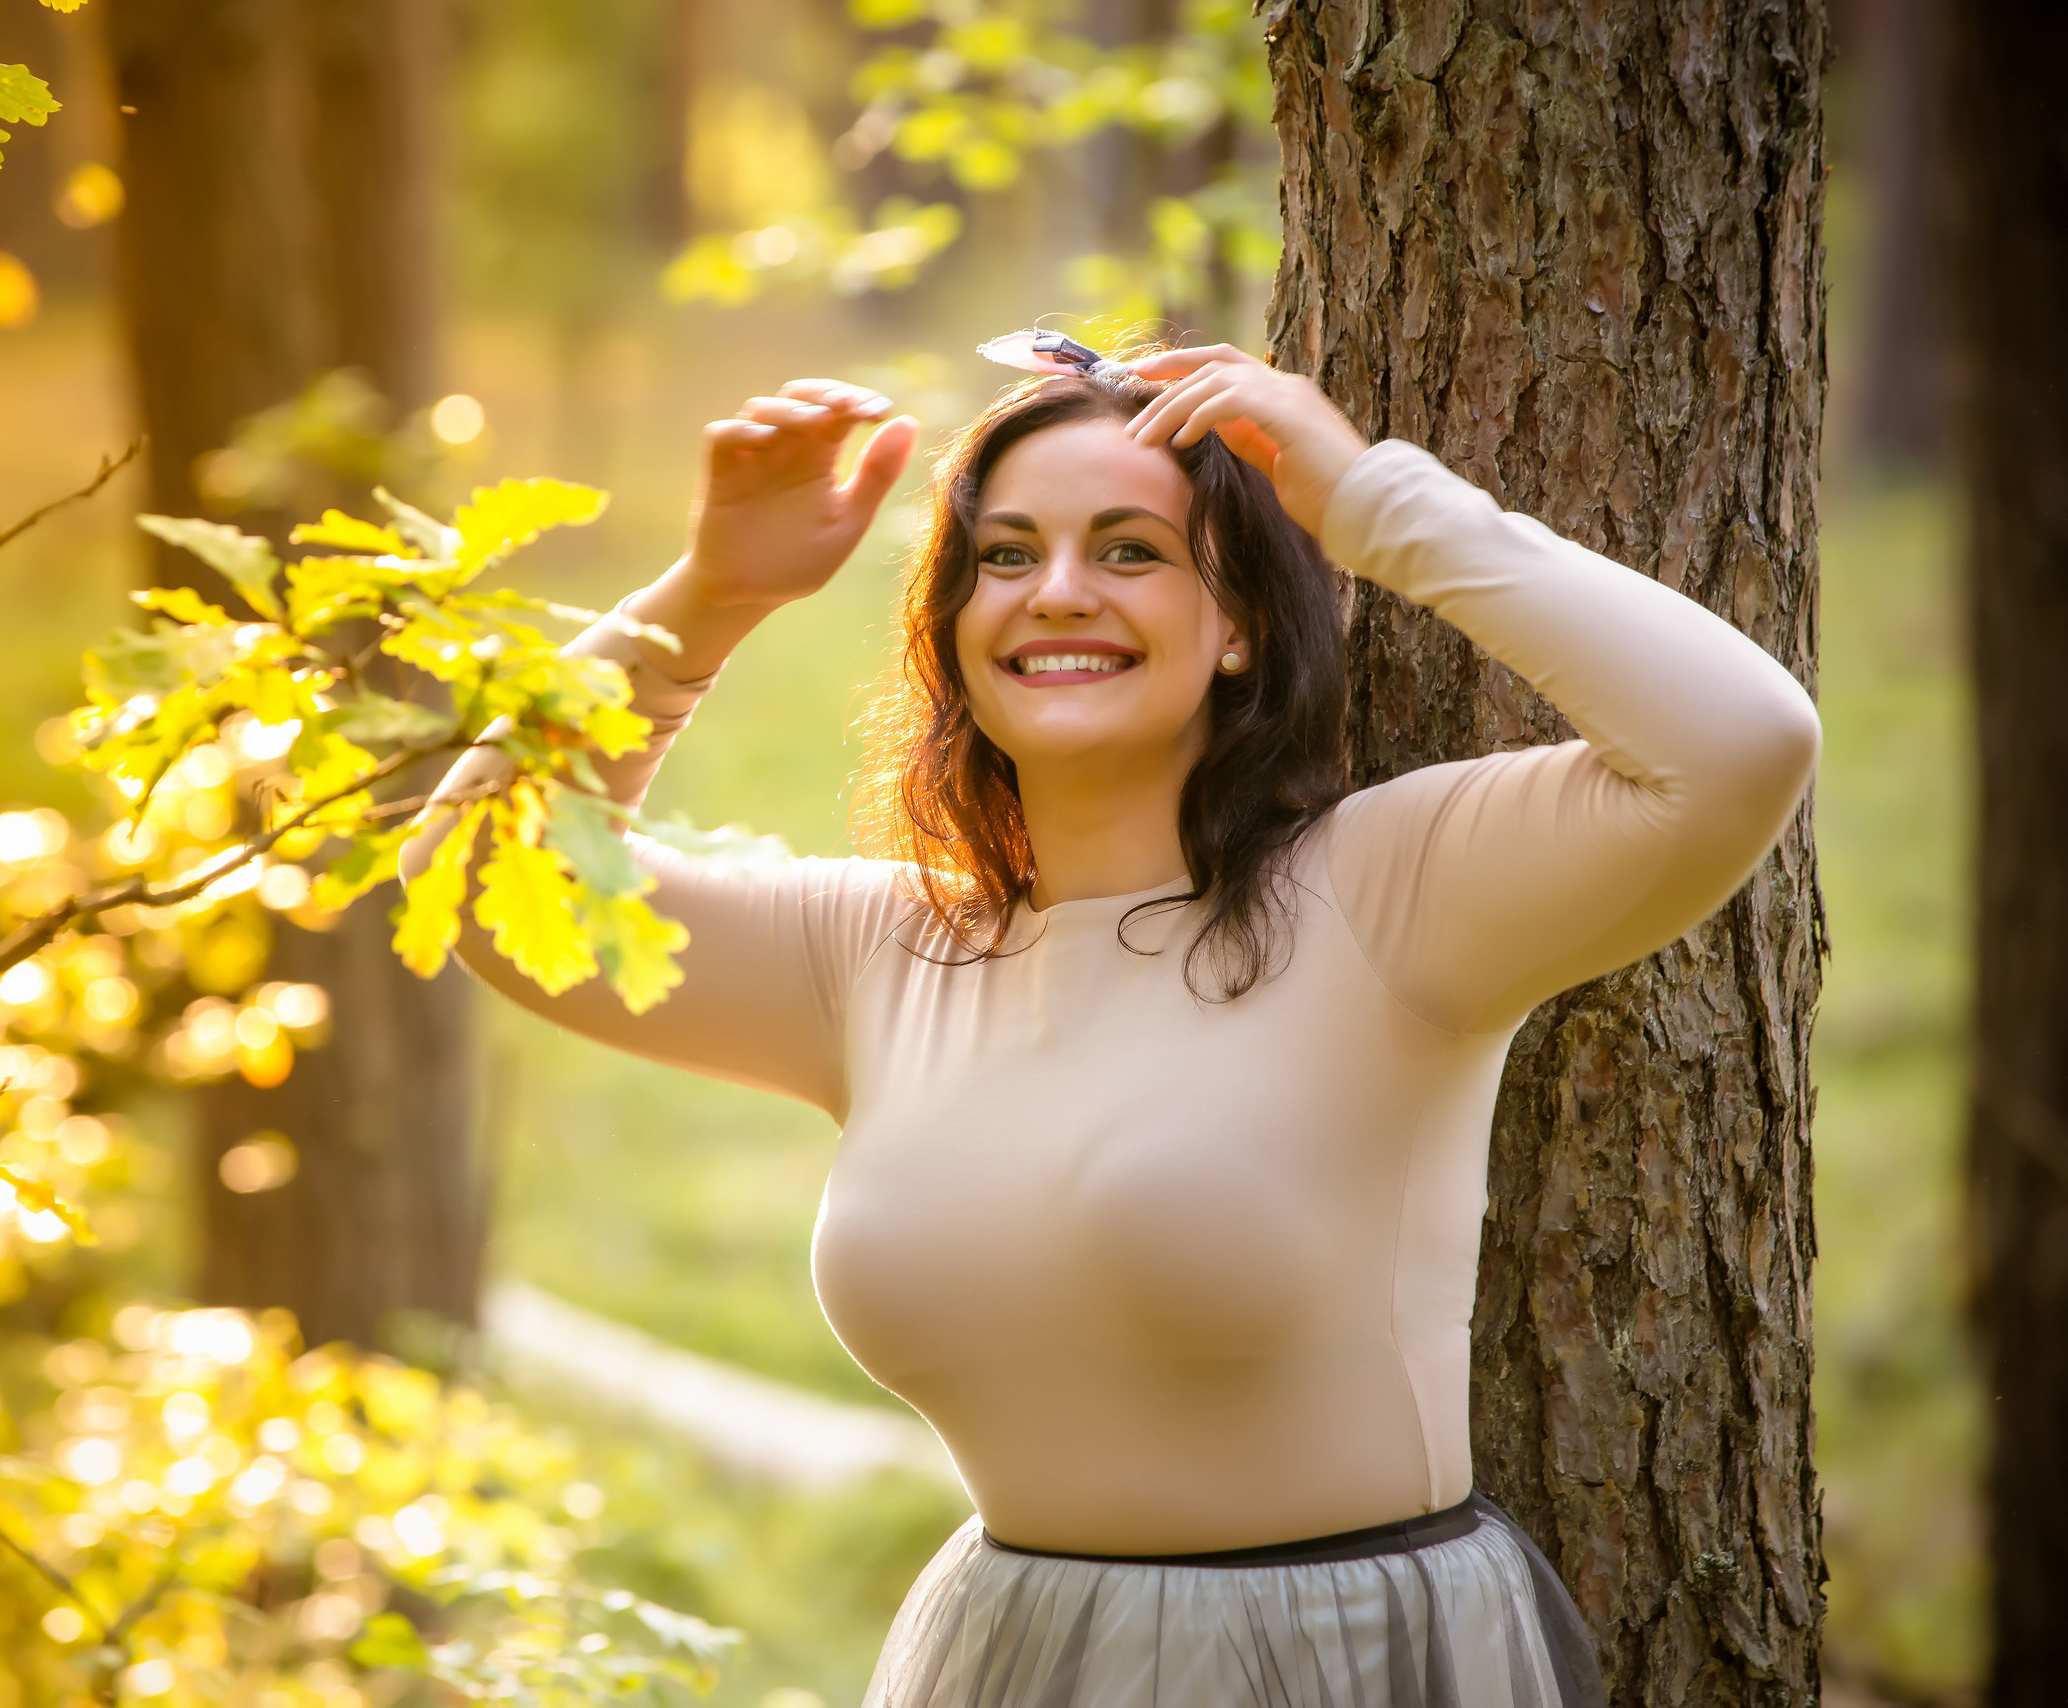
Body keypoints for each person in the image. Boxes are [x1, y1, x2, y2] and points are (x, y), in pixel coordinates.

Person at [404, 342, 1820, 1706]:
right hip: (1017, 1650)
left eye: (1131, 551)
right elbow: (476, 879)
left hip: (1343, 1661)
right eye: (1005, 556)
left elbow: (1738, 744)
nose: (1056, 593)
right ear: (953, 632)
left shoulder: (1392, 893)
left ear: (1242, 624)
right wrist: (707, 596)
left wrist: (1373, 503)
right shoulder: (879, 951)